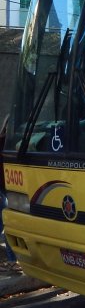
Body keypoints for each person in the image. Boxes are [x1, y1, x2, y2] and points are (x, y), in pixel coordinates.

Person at [0, 115, 20, 272]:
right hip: (2, 190)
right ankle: (12, 260)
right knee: (6, 223)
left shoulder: (18, 145)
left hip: (9, 189)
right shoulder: (3, 144)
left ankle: (13, 260)